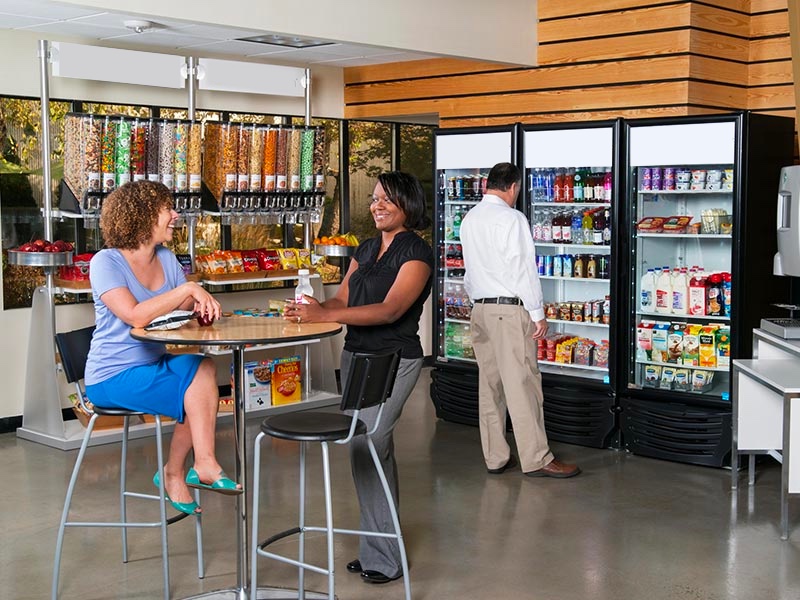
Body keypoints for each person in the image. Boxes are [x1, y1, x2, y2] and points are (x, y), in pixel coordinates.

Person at [285, 171, 433, 584]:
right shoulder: (366, 249)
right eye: (374, 199)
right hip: (356, 358)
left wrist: (324, 314)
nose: (376, 205)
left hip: (395, 359)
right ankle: (377, 547)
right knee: (362, 448)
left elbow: (390, 310)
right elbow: (342, 300)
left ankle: (386, 557)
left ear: (408, 204)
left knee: (372, 440)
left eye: (386, 199)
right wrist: (313, 308)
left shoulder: (416, 252)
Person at [84, 180, 241, 516]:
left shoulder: (167, 259)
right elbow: (135, 315)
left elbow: (179, 307)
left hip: (152, 365)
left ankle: (197, 464)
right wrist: (190, 290)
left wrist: (198, 306)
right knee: (194, 388)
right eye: (167, 209)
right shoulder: (106, 262)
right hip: (111, 376)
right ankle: (178, 472)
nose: (175, 215)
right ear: (142, 215)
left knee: (203, 367)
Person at [460, 162, 580, 479]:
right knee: (523, 384)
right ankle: (537, 458)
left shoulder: (470, 218)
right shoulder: (512, 218)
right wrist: (537, 313)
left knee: (490, 386)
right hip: (508, 311)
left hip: (480, 310)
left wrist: (477, 303)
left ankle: (496, 457)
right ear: (513, 187)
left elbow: (469, 271)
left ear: (488, 184)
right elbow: (523, 269)